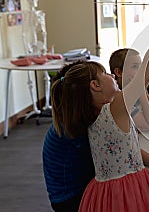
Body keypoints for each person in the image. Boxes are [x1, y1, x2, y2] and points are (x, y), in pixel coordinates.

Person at [50, 4, 149, 212]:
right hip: (127, 191)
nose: (112, 76)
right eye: (106, 74)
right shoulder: (115, 108)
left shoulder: (91, 115)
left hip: (103, 194)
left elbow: (126, 149)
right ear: (95, 86)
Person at [42, 62, 95, 212]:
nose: (111, 76)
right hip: (70, 199)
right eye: (103, 75)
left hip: (67, 195)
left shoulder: (72, 118)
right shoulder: (75, 129)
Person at [109, 48, 149, 131]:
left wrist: (143, 91)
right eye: (135, 66)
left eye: (141, 66)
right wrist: (141, 91)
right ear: (118, 72)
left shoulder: (134, 91)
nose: (141, 70)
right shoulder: (118, 98)